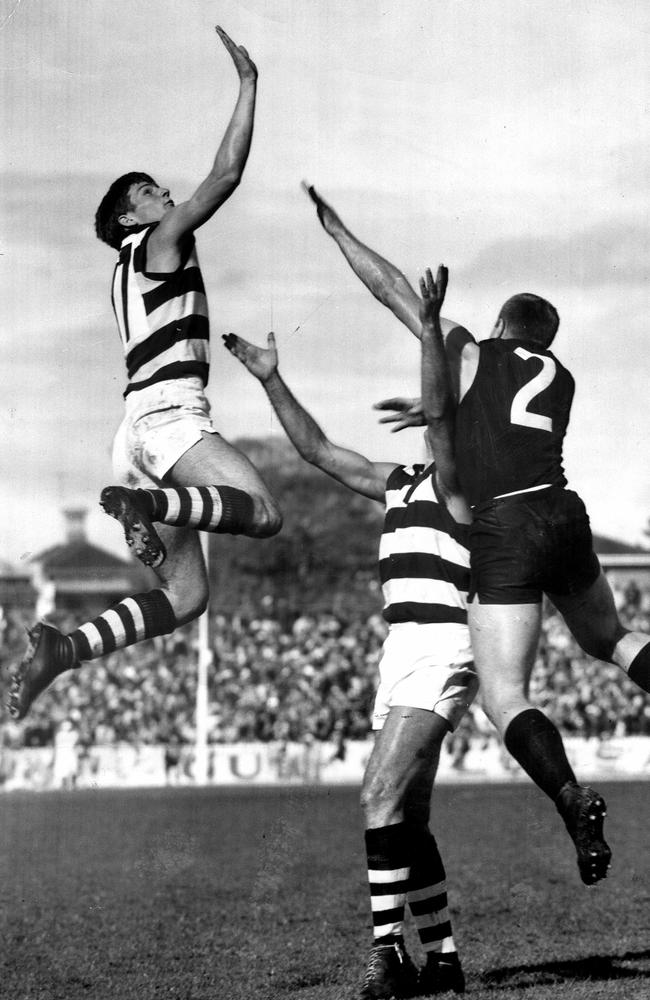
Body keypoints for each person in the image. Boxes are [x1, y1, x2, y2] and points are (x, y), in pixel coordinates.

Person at [303, 186, 650, 885]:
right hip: (564, 511)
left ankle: (572, 798)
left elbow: (392, 289)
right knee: (611, 638)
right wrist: (443, 411)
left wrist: (340, 233)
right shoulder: (561, 374)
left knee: (506, 695)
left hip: (509, 528)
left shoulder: (474, 349)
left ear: (498, 323)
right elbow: (493, 423)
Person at [8, 27, 282, 722]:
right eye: (152, 191)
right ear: (132, 214)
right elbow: (224, 178)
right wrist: (248, 86)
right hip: (169, 417)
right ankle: (150, 507)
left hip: (133, 431)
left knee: (187, 599)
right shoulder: (160, 242)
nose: (167, 193)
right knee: (267, 513)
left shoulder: (120, 274)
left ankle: (61, 652)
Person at [224, 266, 475, 998]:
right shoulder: (398, 481)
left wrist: (428, 329)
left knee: (376, 795)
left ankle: (387, 957)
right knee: (409, 814)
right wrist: (273, 381)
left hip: (440, 646)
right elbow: (317, 452)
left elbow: (438, 413)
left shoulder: (462, 485)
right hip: (403, 649)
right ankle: (446, 961)